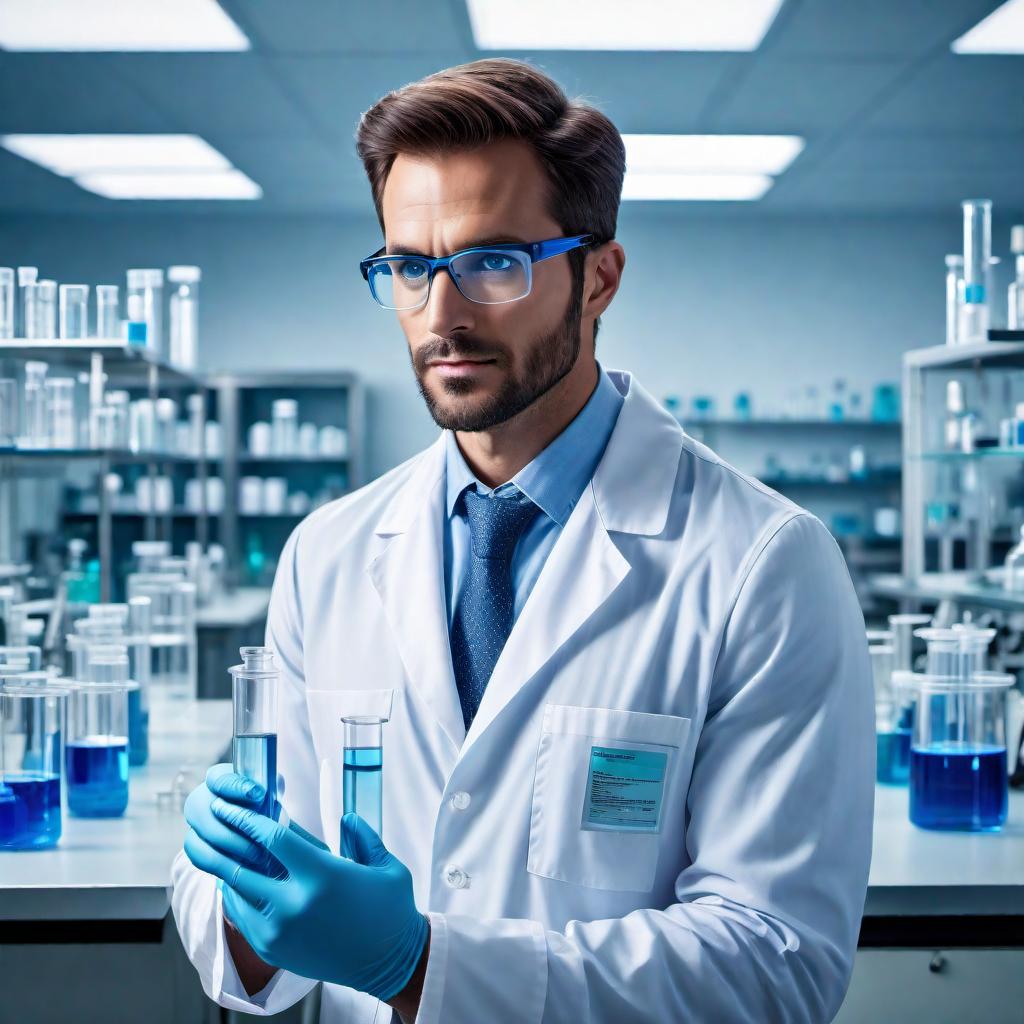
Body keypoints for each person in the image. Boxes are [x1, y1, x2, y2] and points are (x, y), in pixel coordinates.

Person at [172, 57, 874, 1023]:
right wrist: (245, 900)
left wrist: (420, 966)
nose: (442, 314)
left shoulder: (764, 565)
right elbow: (260, 934)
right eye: (410, 267)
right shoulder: (327, 553)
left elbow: (774, 962)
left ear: (599, 279)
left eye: (493, 263)